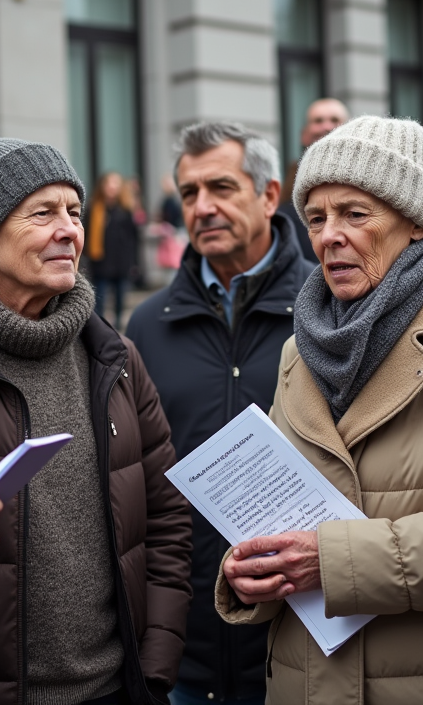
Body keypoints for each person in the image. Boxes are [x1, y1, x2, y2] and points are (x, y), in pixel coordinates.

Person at [0, 126, 192, 705]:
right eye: (42, 212)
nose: (69, 231)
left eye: (74, 211)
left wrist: (154, 667)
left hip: (116, 691)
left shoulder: (115, 358)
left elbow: (167, 522)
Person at [216, 116, 423, 704]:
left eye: (355, 214)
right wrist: (251, 572)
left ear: (416, 223)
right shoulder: (300, 348)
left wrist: (330, 561)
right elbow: (277, 513)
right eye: (317, 219)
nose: (329, 236)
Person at [127, 122, 315, 705]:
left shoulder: (328, 310)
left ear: (267, 195)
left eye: (222, 188)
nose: (203, 207)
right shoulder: (147, 326)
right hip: (187, 652)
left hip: (299, 640)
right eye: (189, 193)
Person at [278, 98, 350, 261]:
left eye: (334, 120)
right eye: (318, 121)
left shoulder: (370, 185)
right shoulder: (286, 199)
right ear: (304, 135)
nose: (326, 126)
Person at [87, 171, 140, 327]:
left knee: (119, 298)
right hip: (100, 261)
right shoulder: (94, 209)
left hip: (121, 261)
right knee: (99, 299)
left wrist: (134, 262)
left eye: (115, 183)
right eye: (109, 183)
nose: (112, 187)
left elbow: (134, 239)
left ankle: (116, 328)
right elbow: (86, 233)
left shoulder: (125, 210)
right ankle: (100, 327)